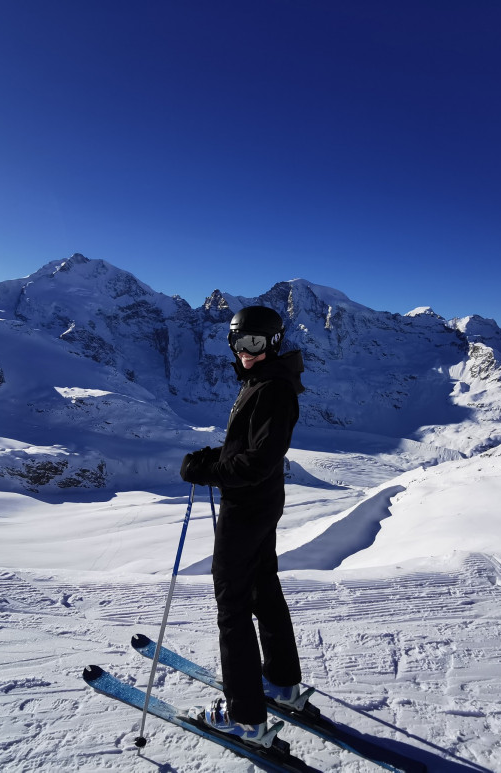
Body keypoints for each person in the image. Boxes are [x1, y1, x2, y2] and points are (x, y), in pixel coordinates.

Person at [179, 304, 306, 746]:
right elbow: (249, 449)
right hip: (260, 504)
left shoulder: (272, 388)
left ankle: (246, 718)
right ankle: (282, 682)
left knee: (231, 607)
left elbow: (259, 461)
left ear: (273, 343)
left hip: (247, 509)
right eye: (238, 343)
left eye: (254, 343)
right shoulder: (262, 381)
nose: (245, 352)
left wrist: (207, 472)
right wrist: (215, 457)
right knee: (261, 589)